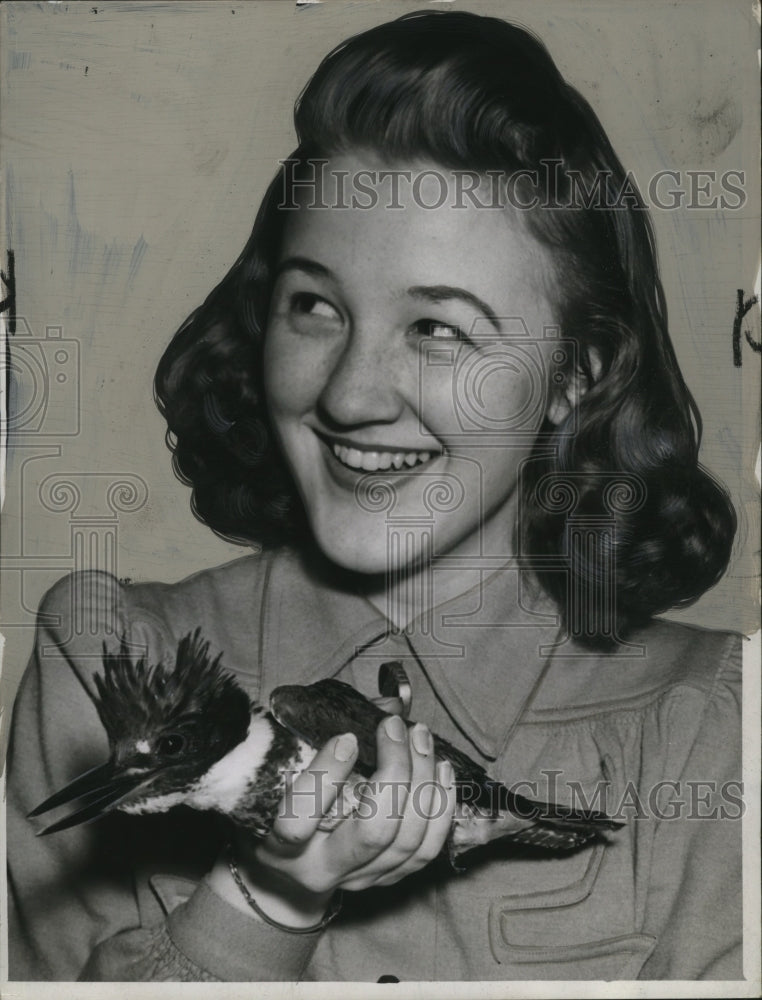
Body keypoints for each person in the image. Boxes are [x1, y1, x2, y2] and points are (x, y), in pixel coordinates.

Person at [7, 9, 743, 983]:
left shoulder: (719, 726)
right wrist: (263, 906)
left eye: (440, 328)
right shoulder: (102, 660)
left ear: (578, 373)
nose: (350, 395)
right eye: (314, 305)